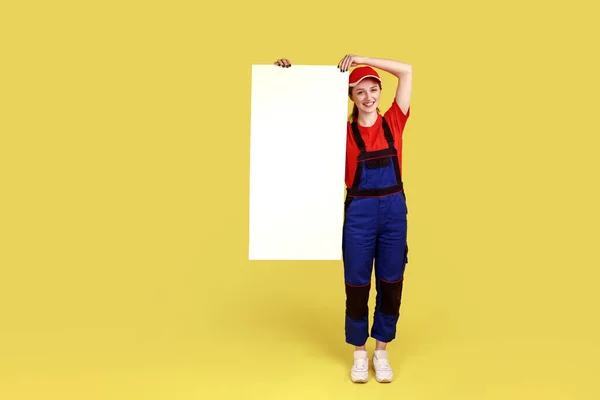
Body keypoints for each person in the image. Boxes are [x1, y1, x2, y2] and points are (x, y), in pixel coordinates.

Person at [274, 54, 412, 383]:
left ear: (380, 92)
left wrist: (361, 59)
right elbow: (298, 118)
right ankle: (360, 354)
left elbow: (406, 71)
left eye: (374, 89)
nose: (368, 97)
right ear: (350, 96)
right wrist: (285, 78)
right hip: (359, 217)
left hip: (394, 215)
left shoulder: (394, 122)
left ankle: (382, 351)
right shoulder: (341, 134)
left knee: (391, 283)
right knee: (357, 285)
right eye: (360, 91)